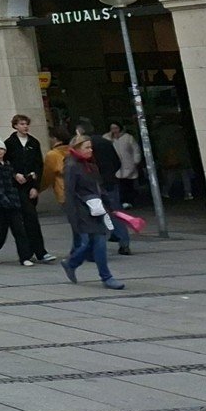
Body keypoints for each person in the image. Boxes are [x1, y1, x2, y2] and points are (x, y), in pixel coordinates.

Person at [60, 134, 125, 290]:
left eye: (91, 147)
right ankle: (75, 264)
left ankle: (99, 274)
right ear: (77, 149)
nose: (90, 150)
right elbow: (69, 192)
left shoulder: (91, 166)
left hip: (96, 209)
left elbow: (99, 188)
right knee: (88, 243)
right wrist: (73, 216)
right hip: (82, 209)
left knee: (99, 243)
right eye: (87, 147)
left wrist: (109, 207)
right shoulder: (71, 166)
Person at [76, 118, 132, 256]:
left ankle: (97, 246)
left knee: (94, 214)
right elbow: (116, 161)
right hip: (110, 181)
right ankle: (124, 242)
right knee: (115, 211)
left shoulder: (83, 146)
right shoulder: (106, 142)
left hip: (93, 184)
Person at [4, 114, 55, 263]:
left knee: (31, 218)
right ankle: (31, 252)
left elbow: (39, 165)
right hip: (16, 186)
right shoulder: (10, 143)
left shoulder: (33, 142)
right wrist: (14, 174)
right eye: (21, 124)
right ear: (15, 126)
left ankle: (38, 251)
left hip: (30, 184)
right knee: (24, 219)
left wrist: (35, 187)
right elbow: (6, 164)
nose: (25, 126)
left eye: (26, 124)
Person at [0, 136, 32, 266]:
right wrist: (3, 199)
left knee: (19, 230)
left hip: (13, 202)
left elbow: (13, 181)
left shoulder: (8, 164)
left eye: (1, 149)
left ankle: (24, 257)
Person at [106, 122, 141, 207]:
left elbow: (136, 150)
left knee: (128, 183)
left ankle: (129, 201)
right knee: (118, 184)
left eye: (116, 128)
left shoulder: (128, 138)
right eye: (112, 128)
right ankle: (121, 201)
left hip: (128, 164)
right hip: (115, 165)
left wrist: (136, 161)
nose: (114, 130)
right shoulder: (108, 139)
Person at [43, 130, 71, 204]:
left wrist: (38, 188)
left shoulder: (52, 155)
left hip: (63, 189)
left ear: (55, 139)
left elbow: (47, 176)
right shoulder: (73, 151)